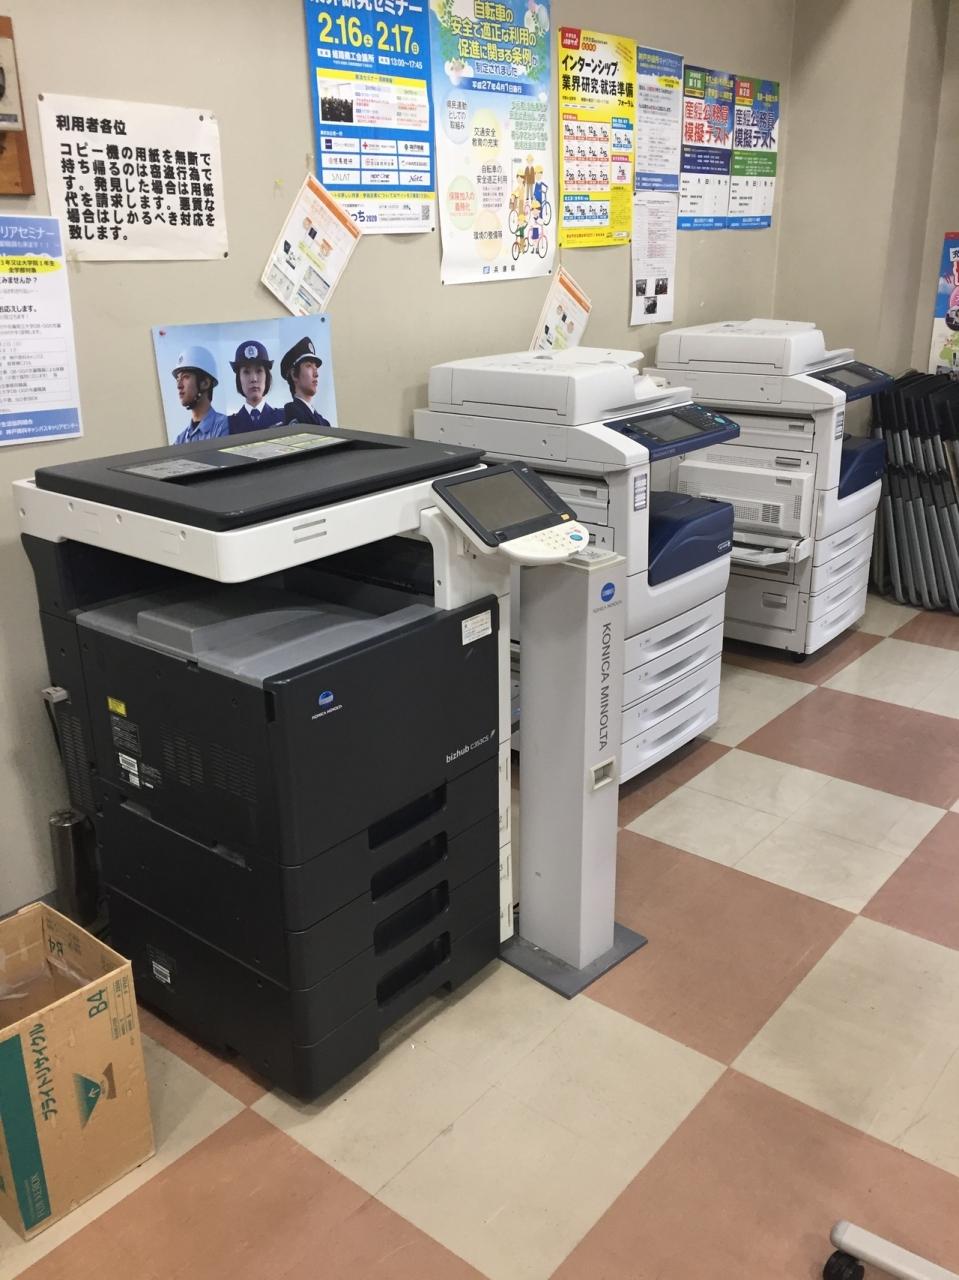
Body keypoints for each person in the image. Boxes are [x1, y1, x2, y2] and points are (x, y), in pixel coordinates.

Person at [171, 346, 228, 445]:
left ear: (205, 383)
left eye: (185, 377)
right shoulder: (180, 440)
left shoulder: (224, 426)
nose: (179, 385)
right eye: (178, 379)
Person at [227, 339, 284, 434]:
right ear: (239, 379)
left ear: (267, 377)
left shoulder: (284, 418)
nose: (253, 379)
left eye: (259, 371)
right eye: (246, 372)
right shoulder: (228, 425)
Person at [280, 335, 330, 427]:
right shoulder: (293, 413)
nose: (316, 374)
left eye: (316, 367)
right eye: (309, 366)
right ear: (294, 374)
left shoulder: (323, 422)